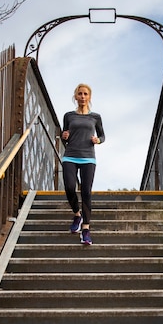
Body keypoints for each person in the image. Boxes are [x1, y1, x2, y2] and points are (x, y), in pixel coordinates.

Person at [61, 83, 105, 245]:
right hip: (70, 155)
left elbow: (103, 135)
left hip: (88, 158)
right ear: (75, 96)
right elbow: (64, 133)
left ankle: (86, 229)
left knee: (86, 191)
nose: (83, 97)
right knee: (69, 187)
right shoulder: (69, 116)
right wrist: (64, 135)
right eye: (80, 94)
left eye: (85, 94)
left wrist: (98, 140)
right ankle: (77, 214)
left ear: (89, 97)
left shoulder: (95, 117)